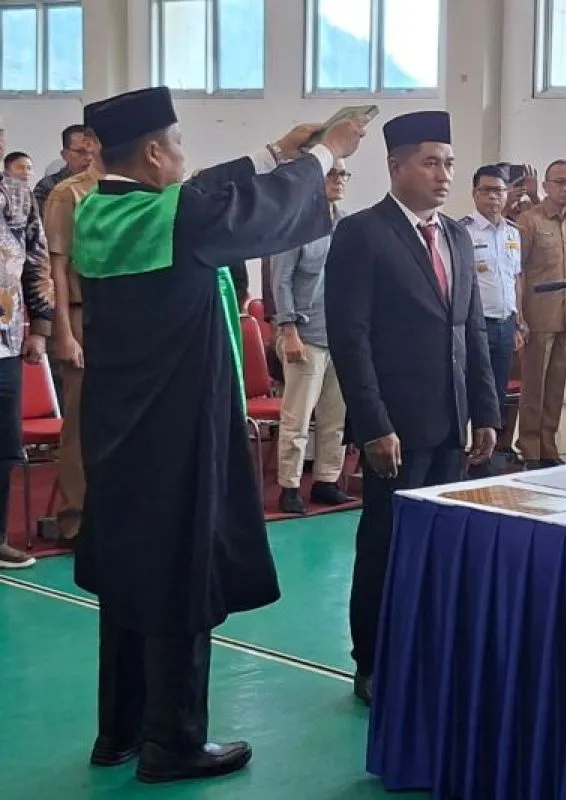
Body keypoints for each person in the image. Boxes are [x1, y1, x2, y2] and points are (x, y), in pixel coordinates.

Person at [70, 85, 364, 783]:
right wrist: (324, 154)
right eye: (176, 144)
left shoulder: (101, 211)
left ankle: (120, 731)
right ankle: (173, 743)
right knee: (181, 579)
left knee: (129, 579)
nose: (183, 156)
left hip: (118, 432)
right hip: (178, 434)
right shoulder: (177, 220)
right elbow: (256, 211)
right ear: (152, 153)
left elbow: (202, 192)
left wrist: (275, 151)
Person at [325, 110, 500, 706]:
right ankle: (372, 661)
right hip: (396, 428)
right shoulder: (363, 234)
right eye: (430, 162)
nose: (443, 174)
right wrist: (373, 424)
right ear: (395, 166)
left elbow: (471, 330)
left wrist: (486, 410)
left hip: (452, 424)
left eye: (448, 163)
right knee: (385, 545)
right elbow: (351, 338)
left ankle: (428, 650)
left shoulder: (455, 235)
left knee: (442, 547)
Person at [270, 160, 353, 514]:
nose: (339, 180)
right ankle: (289, 486)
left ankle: (326, 481)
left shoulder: (347, 225)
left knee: (335, 417)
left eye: (343, 174)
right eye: (332, 173)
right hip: (304, 336)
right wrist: (288, 331)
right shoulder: (294, 225)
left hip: (340, 335)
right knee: (298, 418)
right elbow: (280, 282)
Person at [41, 151, 105, 547]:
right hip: (82, 313)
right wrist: (63, 332)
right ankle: (75, 518)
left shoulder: (137, 191)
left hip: (125, 315)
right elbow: (57, 270)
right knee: (81, 421)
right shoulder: (69, 194)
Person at [515, 160, 566, 468]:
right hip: (538, 316)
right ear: (545, 186)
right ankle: (530, 447)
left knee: (556, 387)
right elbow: (517, 272)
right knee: (534, 387)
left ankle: (548, 445)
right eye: (560, 182)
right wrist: (519, 317)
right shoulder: (529, 221)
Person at [0, 171, 55, 569]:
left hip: (6, 343)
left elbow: (37, 261)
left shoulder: (17, 193)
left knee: (4, 448)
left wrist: (40, 328)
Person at [461, 165, 526, 476]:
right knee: (466, 390)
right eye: (486, 190)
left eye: (499, 191)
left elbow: (516, 279)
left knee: (495, 394)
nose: (493, 197)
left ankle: (485, 457)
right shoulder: (462, 231)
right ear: (474, 194)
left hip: (504, 323)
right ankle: (458, 456)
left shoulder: (513, 232)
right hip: (474, 325)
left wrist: (519, 321)